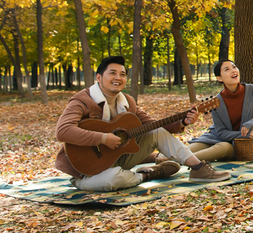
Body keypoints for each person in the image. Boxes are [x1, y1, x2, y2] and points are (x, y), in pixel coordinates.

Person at [54, 55, 231, 191]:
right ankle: (148, 174)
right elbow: (63, 131)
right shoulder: (82, 100)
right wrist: (103, 138)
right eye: (112, 73)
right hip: (86, 169)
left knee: (157, 131)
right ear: (98, 78)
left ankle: (198, 167)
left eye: (122, 74)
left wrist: (183, 121)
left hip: (118, 158)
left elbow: (154, 124)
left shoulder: (127, 102)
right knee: (114, 180)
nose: (118, 77)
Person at [177, 59, 253, 162]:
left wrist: (251, 123)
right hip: (213, 137)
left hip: (231, 145)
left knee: (225, 147)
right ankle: (164, 161)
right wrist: (243, 134)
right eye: (227, 69)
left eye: (234, 67)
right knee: (184, 151)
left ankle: (180, 161)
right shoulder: (216, 101)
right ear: (219, 78)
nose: (233, 70)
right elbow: (220, 132)